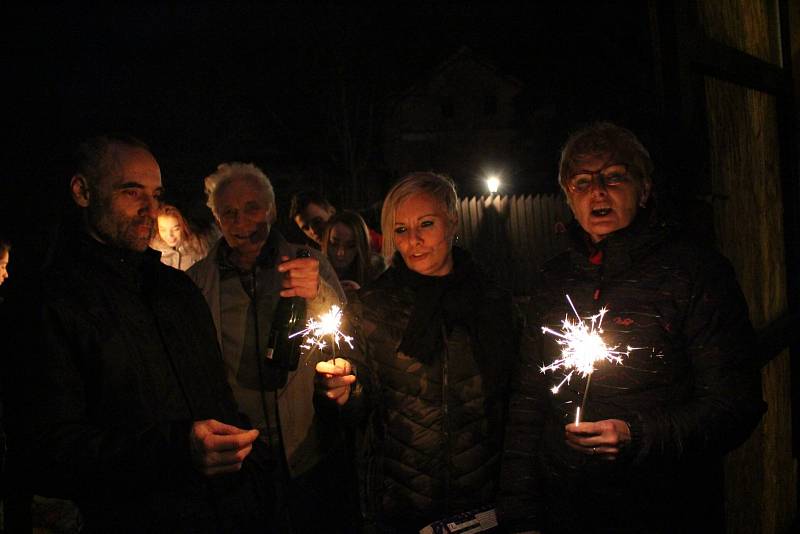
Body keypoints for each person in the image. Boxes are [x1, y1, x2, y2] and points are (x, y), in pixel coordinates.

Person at [497, 122, 765, 533]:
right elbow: (529, 401)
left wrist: (637, 435)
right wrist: (520, 514)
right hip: (566, 509)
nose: (598, 191)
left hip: (664, 508)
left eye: (614, 177)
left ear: (644, 190)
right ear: (568, 197)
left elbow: (734, 405)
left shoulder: (694, 274)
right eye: (582, 182)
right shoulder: (554, 281)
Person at [7, 135, 273, 532]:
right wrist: (176, 449)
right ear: (83, 191)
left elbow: (217, 398)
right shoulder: (49, 303)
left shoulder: (177, 290)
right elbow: (48, 450)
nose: (150, 208)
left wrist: (253, 468)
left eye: (156, 193)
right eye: (132, 191)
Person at [315, 172, 517, 532]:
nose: (414, 240)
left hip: (484, 502)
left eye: (426, 224)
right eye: (402, 229)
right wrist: (342, 393)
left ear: (452, 221)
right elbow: (360, 410)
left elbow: (514, 400)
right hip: (402, 507)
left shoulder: (491, 302)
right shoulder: (371, 307)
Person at [187, 162, 349, 533]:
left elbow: (344, 327)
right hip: (241, 457)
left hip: (306, 450)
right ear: (216, 218)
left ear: (272, 210)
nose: (242, 220)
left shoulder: (308, 261)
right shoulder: (199, 281)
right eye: (228, 212)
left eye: (252, 207)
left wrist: (317, 291)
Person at [291, 189, 383, 253]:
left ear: (331, 211)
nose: (313, 231)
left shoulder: (360, 235)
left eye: (317, 222)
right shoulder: (311, 256)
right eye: (305, 228)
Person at [321, 209, 386, 291]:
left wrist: (359, 294)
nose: (340, 253)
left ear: (361, 247)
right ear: (326, 241)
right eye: (334, 244)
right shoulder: (315, 271)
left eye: (350, 246)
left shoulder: (376, 274)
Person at [150, 204, 211, 270]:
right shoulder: (153, 251)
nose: (169, 235)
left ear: (183, 226)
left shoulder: (197, 247)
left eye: (175, 229)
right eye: (163, 230)